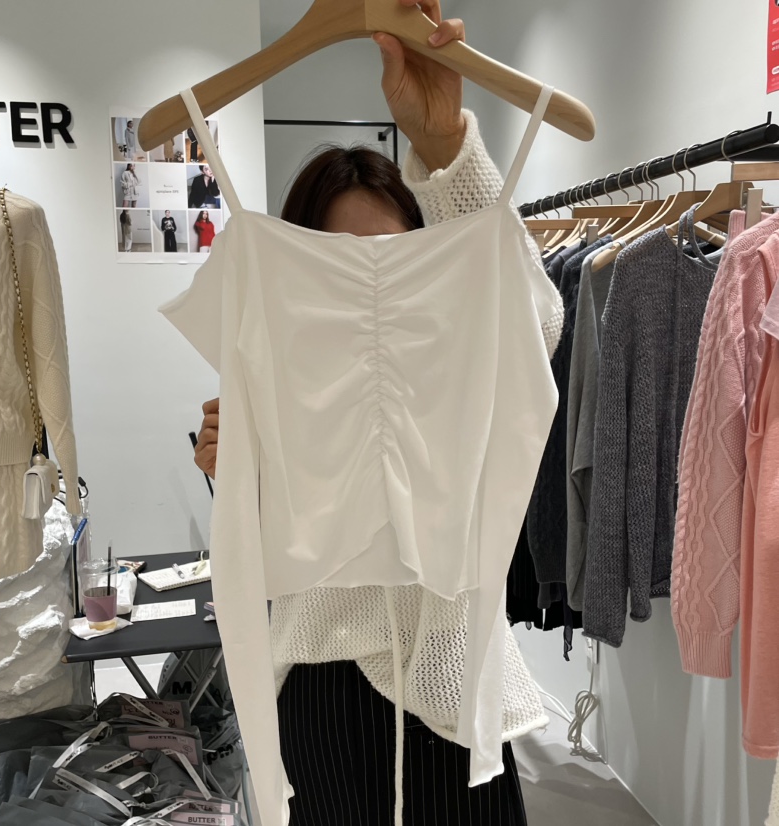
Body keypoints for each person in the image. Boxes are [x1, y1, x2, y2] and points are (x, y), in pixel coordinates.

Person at [193, 1, 561, 822]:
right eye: (338, 268)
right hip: (320, 691)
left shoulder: (459, 345)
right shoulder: (280, 359)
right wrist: (240, 477)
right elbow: (281, 552)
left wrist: (447, 148)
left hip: (452, 684)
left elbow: (532, 327)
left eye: (395, 263)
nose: (370, 295)